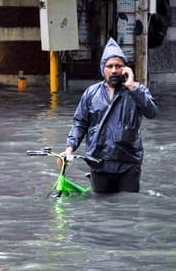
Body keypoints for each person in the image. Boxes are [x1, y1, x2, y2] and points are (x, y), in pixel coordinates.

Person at [64, 38, 158, 193]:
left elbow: (152, 112)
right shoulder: (91, 93)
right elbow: (80, 123)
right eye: (110, 66)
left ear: (125, 69)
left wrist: (133, 87)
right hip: (99, 162)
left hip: (128, 163)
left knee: (128, 207)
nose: (114, 70)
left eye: (118, 66)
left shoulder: (137, 90)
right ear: (103, 69)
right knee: (101, 209)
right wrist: (69, 149)